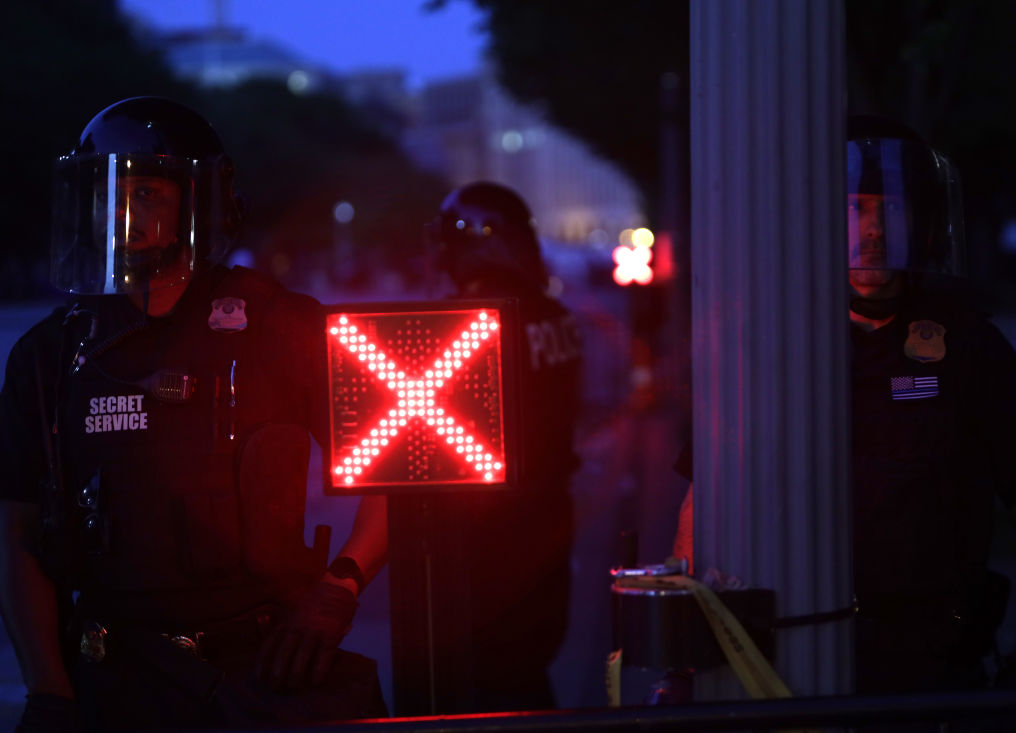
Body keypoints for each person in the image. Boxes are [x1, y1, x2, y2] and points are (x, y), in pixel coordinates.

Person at [0, 96, 389, 731]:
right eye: (109, 193)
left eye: (148, 194)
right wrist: (49, 693)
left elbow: (401, 466)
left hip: (265, 670)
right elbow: (16, 539)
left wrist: (338, 588)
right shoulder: (49, 357)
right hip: (111, 677)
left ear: (199, 201)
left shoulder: (278, 326)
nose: (124, 215)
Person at [846, 115, 1016, 693]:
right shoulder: (780, 344)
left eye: (890, 210)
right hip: (804, 652)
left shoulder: (968, 342)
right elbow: (708, 493)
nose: (871, 230)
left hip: (936, 661)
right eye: (854, 208)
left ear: (921, 221)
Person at [414, 181, 582, 711]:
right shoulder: (553, 315)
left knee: (481, 687)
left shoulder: (470, 322)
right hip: (549, 520)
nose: (442, 254)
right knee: (526, 675)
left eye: (450, 241)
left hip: (482, 540)